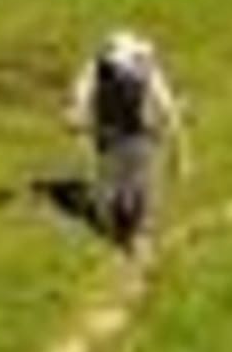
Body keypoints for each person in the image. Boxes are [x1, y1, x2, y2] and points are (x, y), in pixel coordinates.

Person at [68, 30, 187, 255]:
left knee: (116, 186)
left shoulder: (96, 67)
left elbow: (80, 98)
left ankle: (124, 230)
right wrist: (180, 148)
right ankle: (140, 235)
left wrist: (79, 122)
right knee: (142, 186)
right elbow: (166, 105)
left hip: (106, 136)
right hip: (139, 135)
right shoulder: (145, 68)